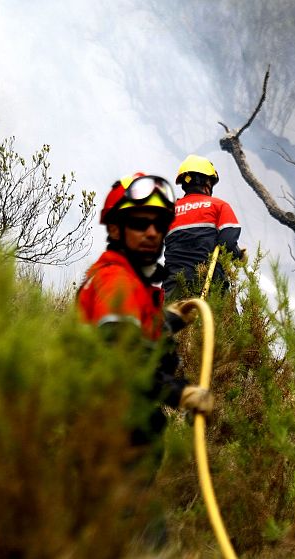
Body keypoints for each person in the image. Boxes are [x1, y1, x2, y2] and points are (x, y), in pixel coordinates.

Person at [77, 172, 213, 448]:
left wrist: (168, 320)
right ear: (115, 230)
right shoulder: (116, 282)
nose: (152, 233)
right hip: (107, 437)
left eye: (159, 224)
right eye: (140, 223)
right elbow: (124, 359)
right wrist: (179, 393)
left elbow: (130, 334)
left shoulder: (130, 283)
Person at [163, 155, 243, 300]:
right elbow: (228, 243)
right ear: (206, 181)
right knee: (226, 321)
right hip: (209, 283)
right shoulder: (219, 206)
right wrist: (239, 255)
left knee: (169, 321)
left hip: (174, 287)